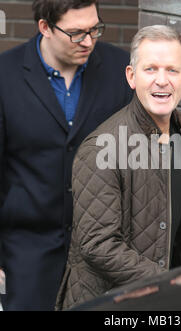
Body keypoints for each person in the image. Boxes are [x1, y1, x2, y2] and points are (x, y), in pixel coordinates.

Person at [55, 25, 181, 310]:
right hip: (111, 304)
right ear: (131, 77)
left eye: (172, 70)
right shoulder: (100, 149)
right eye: (150, 69)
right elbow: (99, 245)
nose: (162, 81)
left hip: (163, 301)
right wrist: (172, 280)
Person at [0, 0, 133, 311]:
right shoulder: (4, 76)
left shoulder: (121, 69)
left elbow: (156, 145)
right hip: (27, 255)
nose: (88, 41)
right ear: (45, 27)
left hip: (102, 255)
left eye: (94, 29)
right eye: (76, 33)